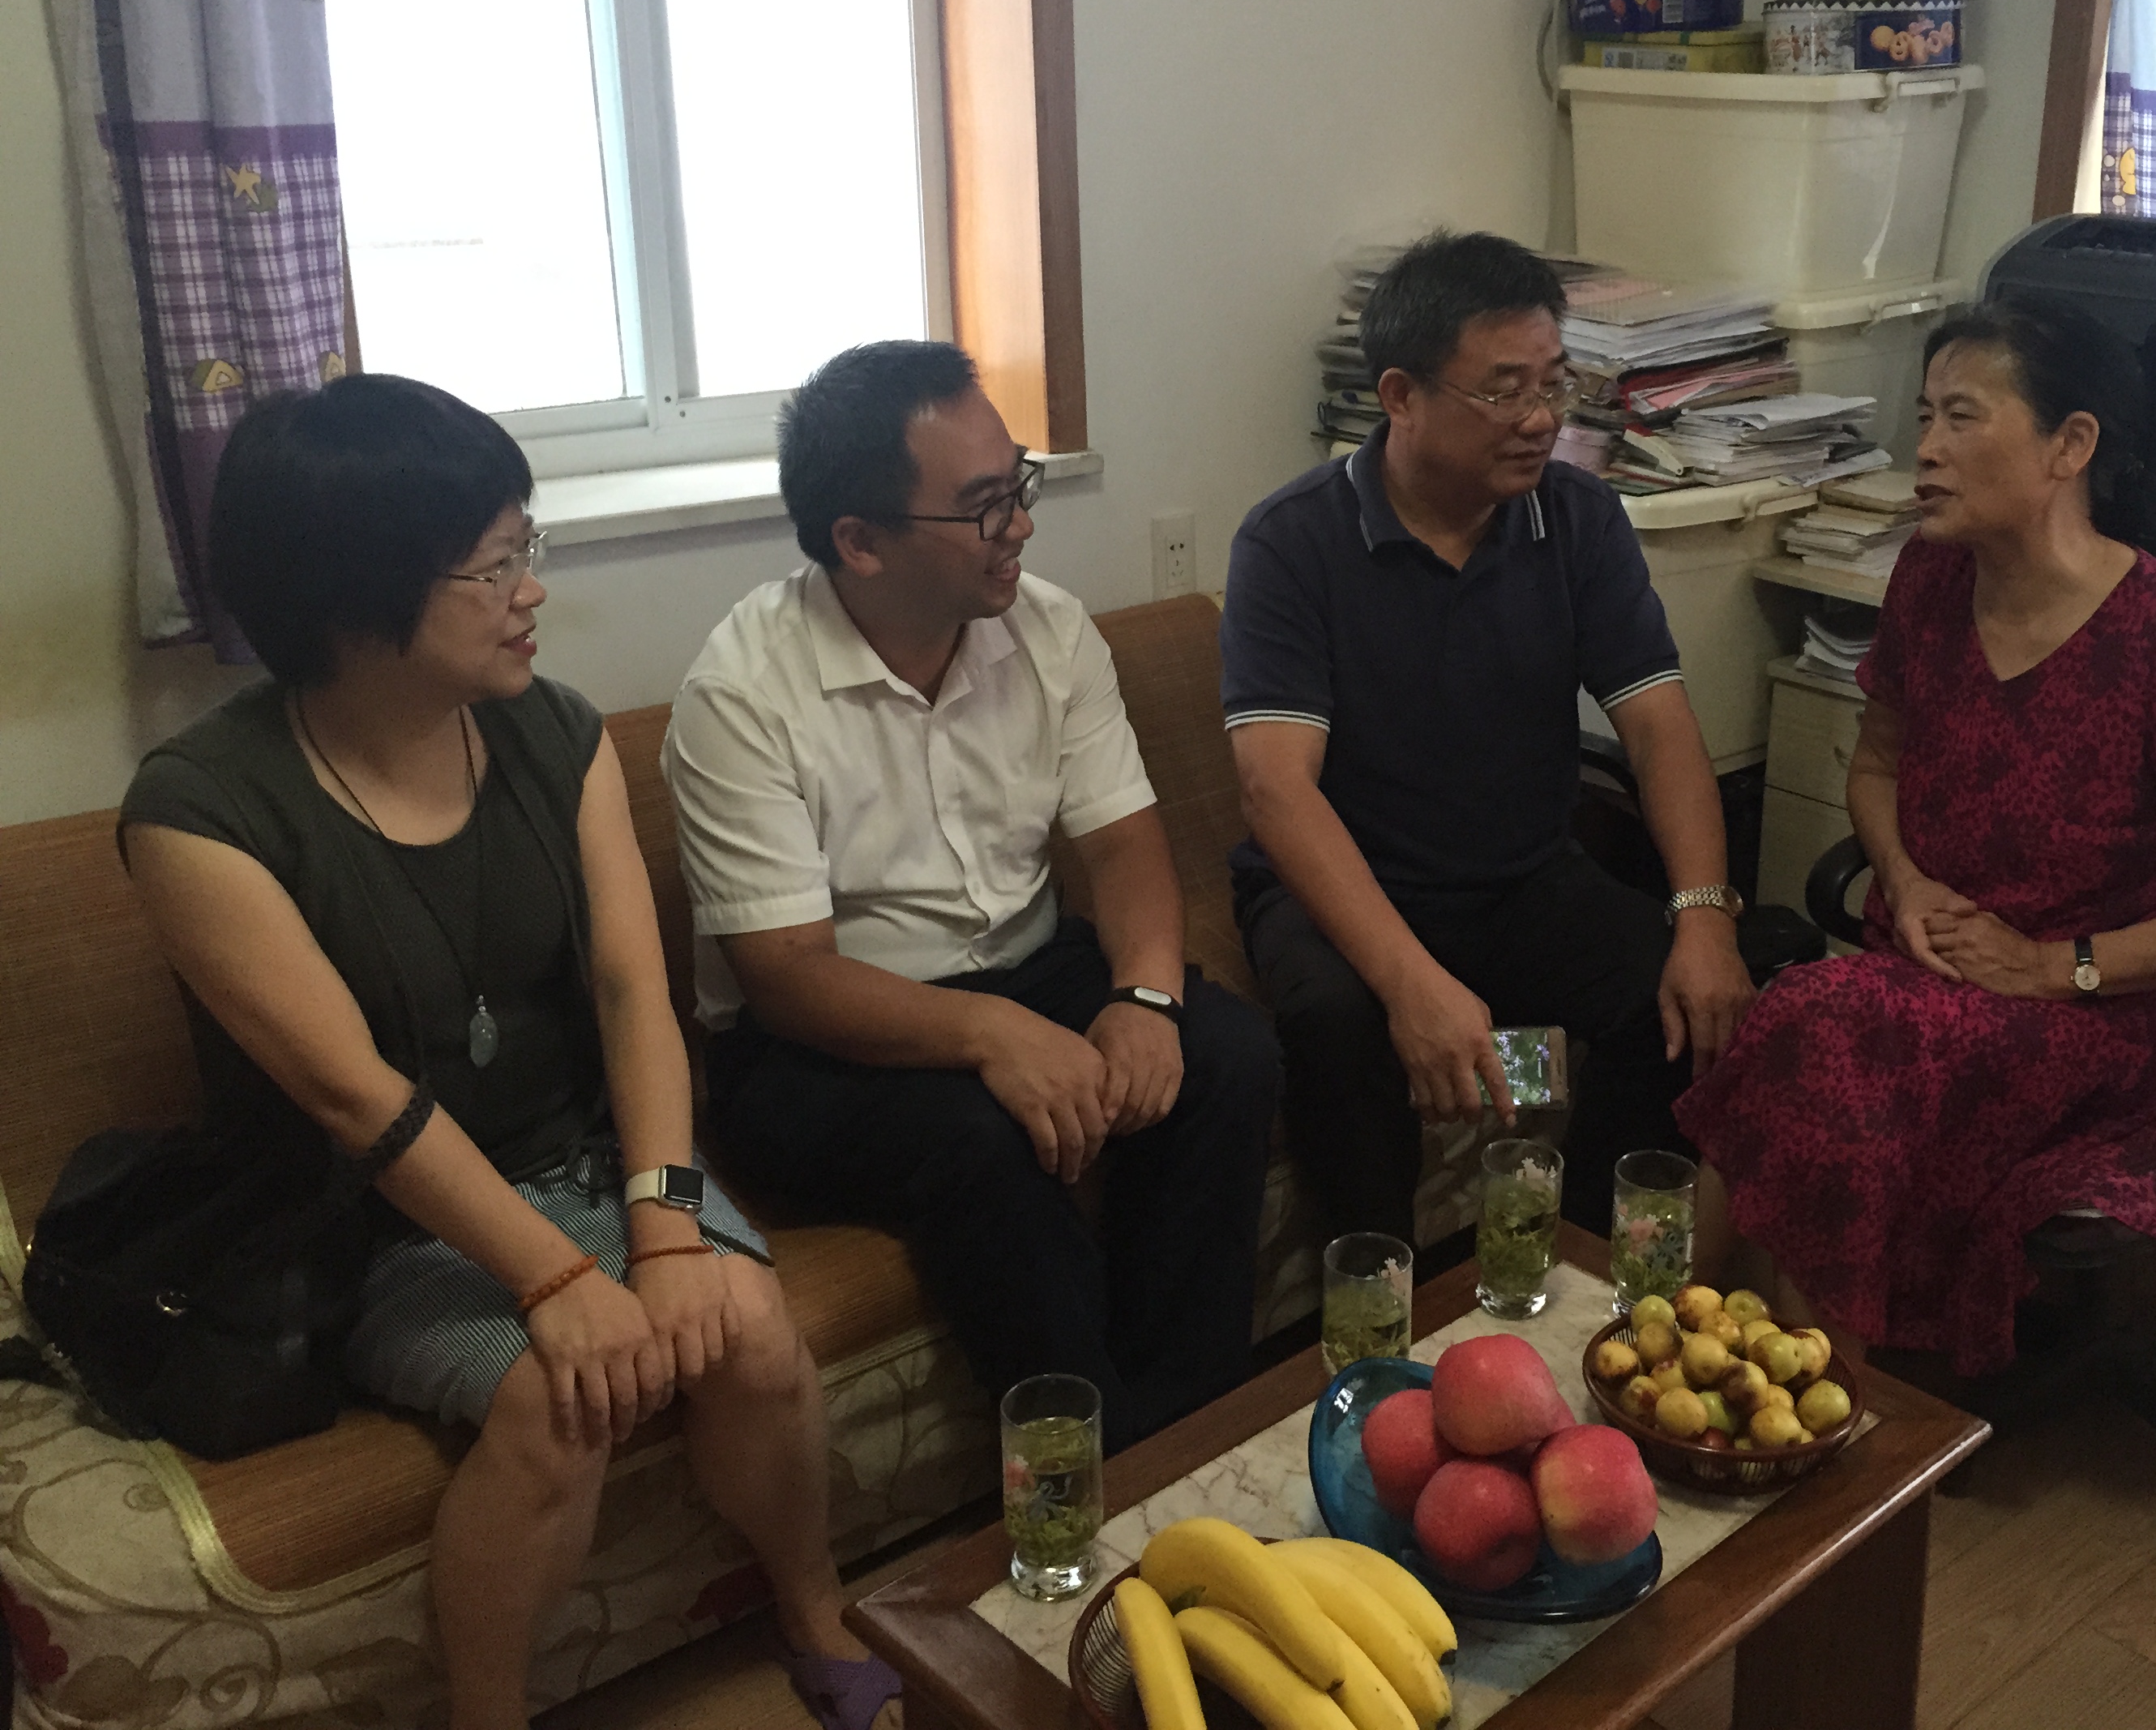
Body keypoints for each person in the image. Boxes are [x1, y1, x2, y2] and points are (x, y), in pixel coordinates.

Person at [118, 379, 888, 1730]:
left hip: (582, 1159)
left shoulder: (551, 731)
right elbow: (347, 1093)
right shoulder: (199, 812)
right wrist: (552, 1277)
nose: (531, 590)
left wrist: (662, 1222)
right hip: (373, 1223)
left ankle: (812, 1601)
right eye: (491, 566)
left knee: (752, 1335)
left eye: (525, 546)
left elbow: (632, 988)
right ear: (352, 598)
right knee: (555, 1399)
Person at [1675, 297, 2156, 1377]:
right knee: (1814, 1024)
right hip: (1935, 969)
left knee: (1821, 1029)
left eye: (1962, 417)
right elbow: (1876, 768)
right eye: (1924, 417)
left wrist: (2055, 967)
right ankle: (1706, 1365)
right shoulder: (1930, 580)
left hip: (2105, 1012)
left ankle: (1794, 1391)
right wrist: (1905, 878)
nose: (1927, 448)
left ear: (2071, 446)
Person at [663, 340, 1279, 1453]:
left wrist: (1144, 999)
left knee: (1224, 1056)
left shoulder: (1049, 629)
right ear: (860, 542)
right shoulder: (742, 694)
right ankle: (1083, 1470)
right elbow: (788, 978)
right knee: (985, 1140)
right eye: (986, 506)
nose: (1022, 526)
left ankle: (1188, 1437)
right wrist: (994, 1036)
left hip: (1030, 965)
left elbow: (1126, 848)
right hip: (815, 1042)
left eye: (1019, 484)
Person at [1222, 230, 1756, 1244]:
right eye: (1504, 391)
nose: (1542, 419)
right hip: (1346, 891)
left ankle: (1585, 1269)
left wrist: (1704, 917)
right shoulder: (1292, 543)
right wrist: (1413, 985)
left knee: (1681, 1000)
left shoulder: (1579, 518)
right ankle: (1383, 1300)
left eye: (1555, 383)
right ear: (1400, 395)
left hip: (1520, 881)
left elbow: (1658, 728)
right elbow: (1277, 792)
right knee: (1342, 1031)